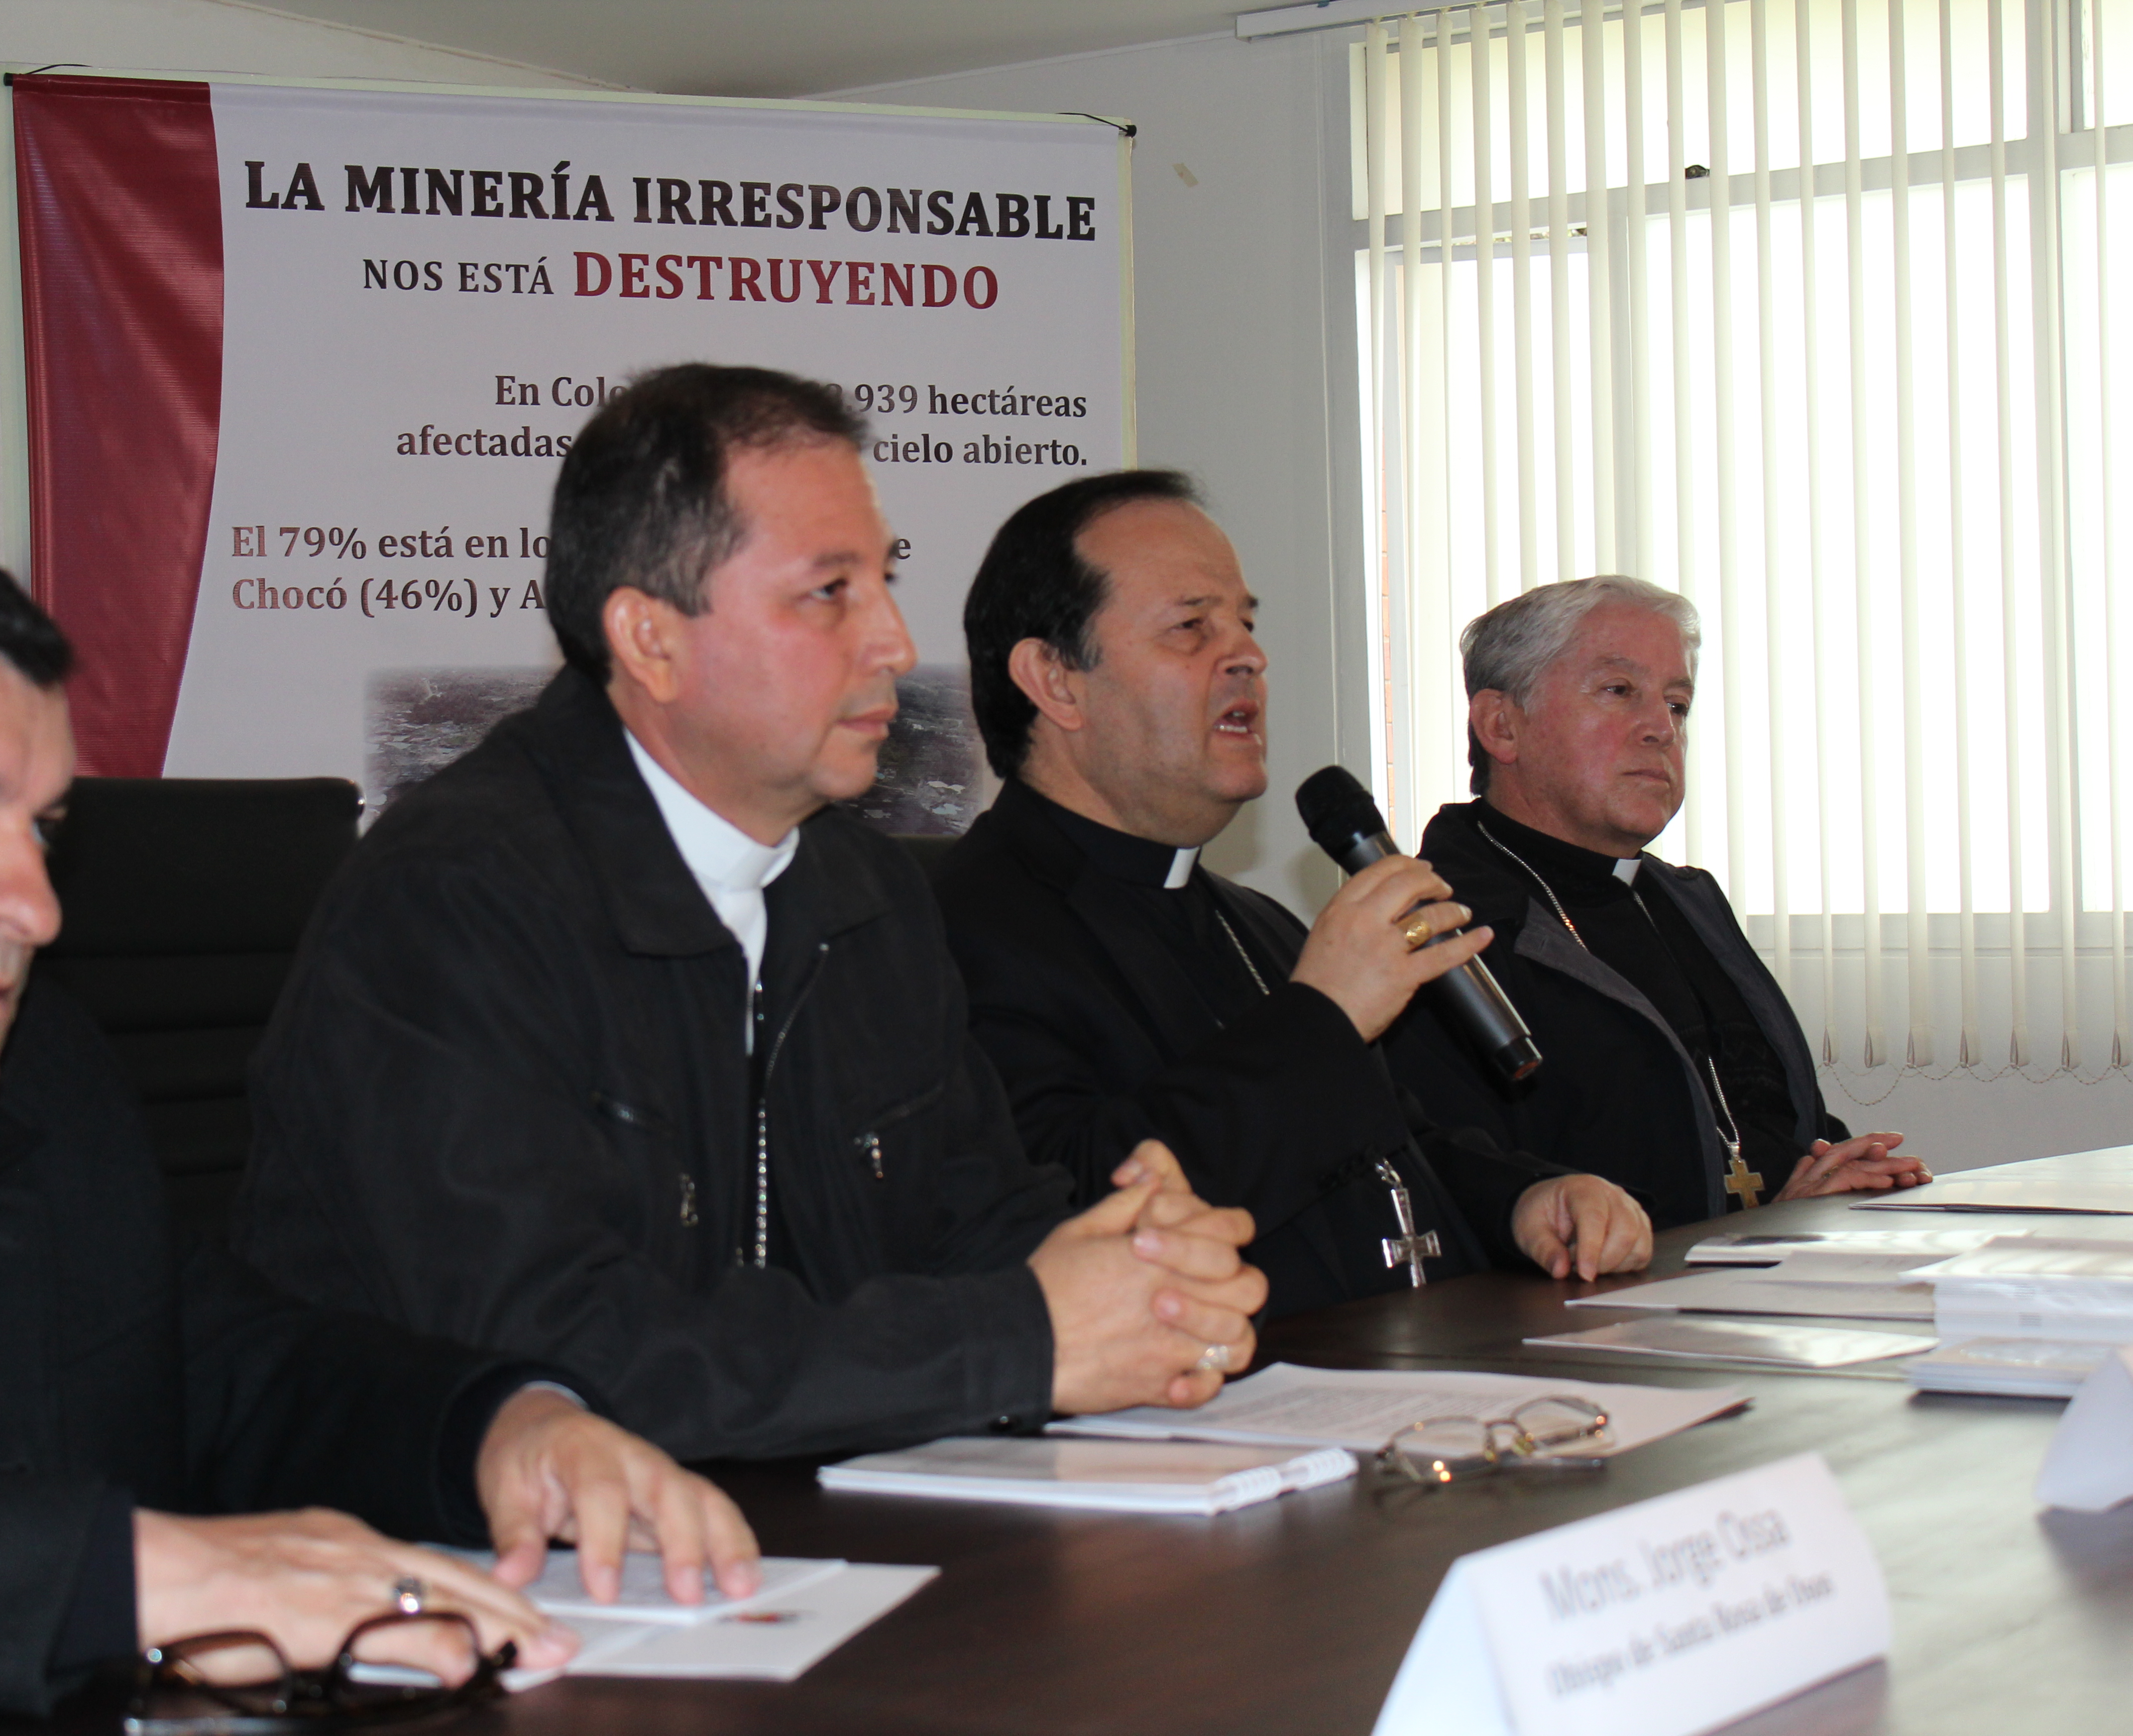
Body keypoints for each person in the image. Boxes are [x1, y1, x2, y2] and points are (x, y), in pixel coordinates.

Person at [0, 512, 757, 1718]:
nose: (35, 907)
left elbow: (219, 1370)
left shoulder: (35, 1078)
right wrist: (125, 1578)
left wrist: (502, 1428)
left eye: (43, 831)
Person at [233, 365, 1266, 1463]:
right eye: (830, 593)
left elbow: (976, 1228)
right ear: (650, 639)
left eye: (884, 583)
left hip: (809, 1529)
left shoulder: (865, 894)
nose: (895, 645)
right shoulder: (456, 901)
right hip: (467, 1573)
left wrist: (1139, 1268)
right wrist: (1027, 1335)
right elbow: (553, 1351)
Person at [934, 472, 1650, 1318]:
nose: (1248, 655)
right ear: (1055, 681)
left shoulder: (1256, 924)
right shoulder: (947, 931)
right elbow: (1080, 1201)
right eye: (1192, 626)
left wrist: (1526, 1199)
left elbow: (1389, 1143)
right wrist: (1325, 1015)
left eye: (1245, 621)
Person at [1385, 575, 1932, 1228]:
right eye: (1620, 692)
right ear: (1502, 727)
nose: (1660, 730)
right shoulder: (1434, 927)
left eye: (1677, 705)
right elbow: (1464, 1183)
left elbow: (1767, 1120)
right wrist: (1745, 1231)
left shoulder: (1685, 900)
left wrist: (1837, 1170)